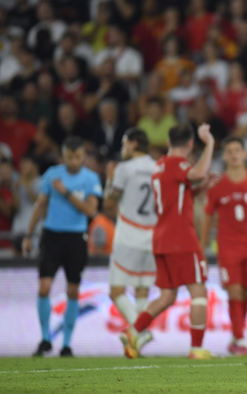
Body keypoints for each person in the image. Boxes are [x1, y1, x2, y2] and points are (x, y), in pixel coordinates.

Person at [120, 123, 216, 360]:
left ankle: (133, 332)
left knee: (167, 296)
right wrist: (211, 143)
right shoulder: (178, 164)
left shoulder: (160, 165)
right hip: (181, 238)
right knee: (199, 292)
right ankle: (196, 349)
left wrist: (201, 186)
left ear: (168, 141)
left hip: (161, 238)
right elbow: (198, 172)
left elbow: (178, 194)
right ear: (191, 143)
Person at [22, 136, 103, 357]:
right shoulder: (52, 174)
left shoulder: (91, 179)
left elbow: (90, 211)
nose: (74, 161)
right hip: (51, 236)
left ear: (83, 156)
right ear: (63, 156)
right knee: (44, 288)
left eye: (77, 157)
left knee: (73, 290)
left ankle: (66, 343)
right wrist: (29, 235)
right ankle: (46, 339)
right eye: (70, 157)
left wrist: (65, 192)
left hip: (76, 237)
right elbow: (40, 205)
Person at [201, 136, 247, 356]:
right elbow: (206, 217)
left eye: (237, 150)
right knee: (233, 290)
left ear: (244, 154)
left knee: (246, 291)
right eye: (229, 151)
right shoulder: (217, 186)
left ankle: (236, 336)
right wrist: (201, 248)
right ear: (224, 156)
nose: (234, 155)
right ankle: (240, 339)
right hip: (227, 246)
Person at [103, 129, 157, 351]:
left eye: (125, 143)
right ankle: (139, 340)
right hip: (153, 236)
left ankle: (139, 331)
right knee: (142, 287)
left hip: (128, 236)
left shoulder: (124, 169)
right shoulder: (157, 167)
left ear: (134, 144)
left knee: (116, 290)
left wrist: (109, 179)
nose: (123, 148)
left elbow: (109, 203)